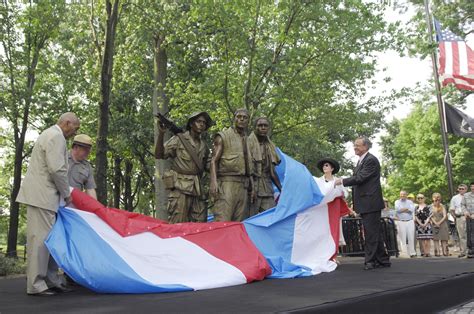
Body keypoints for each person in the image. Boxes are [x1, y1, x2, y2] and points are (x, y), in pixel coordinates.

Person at [16, 112, 80, 296]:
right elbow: (56, 169)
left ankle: (51, 280)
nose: (74, 134)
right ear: (67, 123)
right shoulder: (56, 136)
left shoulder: (51, 135)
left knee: (51, 240)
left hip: (46, 197)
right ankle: (36, 284)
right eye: (74, 129)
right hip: (42, 196)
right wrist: (67, 194)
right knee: (41, 241)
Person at [335, 136, 390, 270]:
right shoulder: (361, 161)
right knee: (374, 232)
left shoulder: (370, 160)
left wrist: (342, 181)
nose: (355, 147)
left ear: (365, 146)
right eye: (354, 145)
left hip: (370, 202)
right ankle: (382, 260)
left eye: (357, 145)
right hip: (366, 202)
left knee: (371, 233)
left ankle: (370, 261)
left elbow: (360, 178)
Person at [155, 111, 212, 223]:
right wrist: (161, 134)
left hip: (197, 189)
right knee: (177, 224)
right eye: (198, 121)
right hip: (180, 188)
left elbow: (209, 166)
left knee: (199, 225)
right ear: (191, 124)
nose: (201, 124)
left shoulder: (204, 146)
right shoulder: (178, 139)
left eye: (204, 123)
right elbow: (159, 155)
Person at [210, 108, 254, 222]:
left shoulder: (248, 141)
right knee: (223, 220)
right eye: (239, 117)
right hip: (227, 184)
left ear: (248, 121)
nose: (241, 119)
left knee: (239, 224)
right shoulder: (223, 136)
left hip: (243, 187)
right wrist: (213, 182)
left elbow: (249, 168)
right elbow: (213, 161)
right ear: (234, 119)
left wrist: (252, 187)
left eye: (245, 118)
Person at [248, 117, 282, 216]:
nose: (263, 128)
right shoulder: (247, 143)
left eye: (265, 125)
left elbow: (272, 171)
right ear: (255, 127)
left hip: (267, 188)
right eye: (260, 125)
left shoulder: (270, 146)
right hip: (251, 188)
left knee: (271, 217)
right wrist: (252, 189)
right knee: (250, 220)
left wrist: (281, 188)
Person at [315, 157, 347, 263]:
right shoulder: (318, 181)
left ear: (332, 168)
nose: (325, 167)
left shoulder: (338, 181)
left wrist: (338, 192)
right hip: (323, 210)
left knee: (334, 231)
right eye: (324, 165)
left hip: (334, 210)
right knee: (323, 232)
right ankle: (323, 256)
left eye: (327, 165)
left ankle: (334, 255)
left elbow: (345, 193)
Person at [68, 134, 97, 200]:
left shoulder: (87, 166)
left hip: (73, 203)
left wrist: (96, 208)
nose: (88, 153)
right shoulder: (61, 158)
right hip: (54, 201)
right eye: (85, 150)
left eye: (89, 150)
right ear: (76, 147)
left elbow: (90, 189)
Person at [394, 190, 416, 258]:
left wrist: (402, 210)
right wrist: (406, 209)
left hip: (410, 221)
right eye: (401, 194)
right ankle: (404, 253)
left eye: (404, 194)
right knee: (402, 238)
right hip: (401, 221)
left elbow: (411, 210)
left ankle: (412, 253)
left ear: (406, 195)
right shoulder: (397, 202)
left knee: (411, 237)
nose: (402, 195)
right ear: (399, 195)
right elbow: (397, 210)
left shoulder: (410, 202)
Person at [449, 184, 468, 258]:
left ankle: (471, 250)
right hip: (460, 217)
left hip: (470, 217)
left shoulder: (469, 197)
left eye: (463, 189)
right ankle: (463, 252)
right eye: (459, 189)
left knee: (471, 234)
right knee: (462, 235)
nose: (461, 190)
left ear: (466, 189)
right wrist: (455, 217)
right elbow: (451, 209)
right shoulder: (455, 198)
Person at [461, 182, 474, 258]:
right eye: (471, 186)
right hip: (469, 217)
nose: (473, 188)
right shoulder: (466, 195)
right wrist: (466, 212)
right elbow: (462, 205)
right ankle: (471, 250)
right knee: (469, 233)